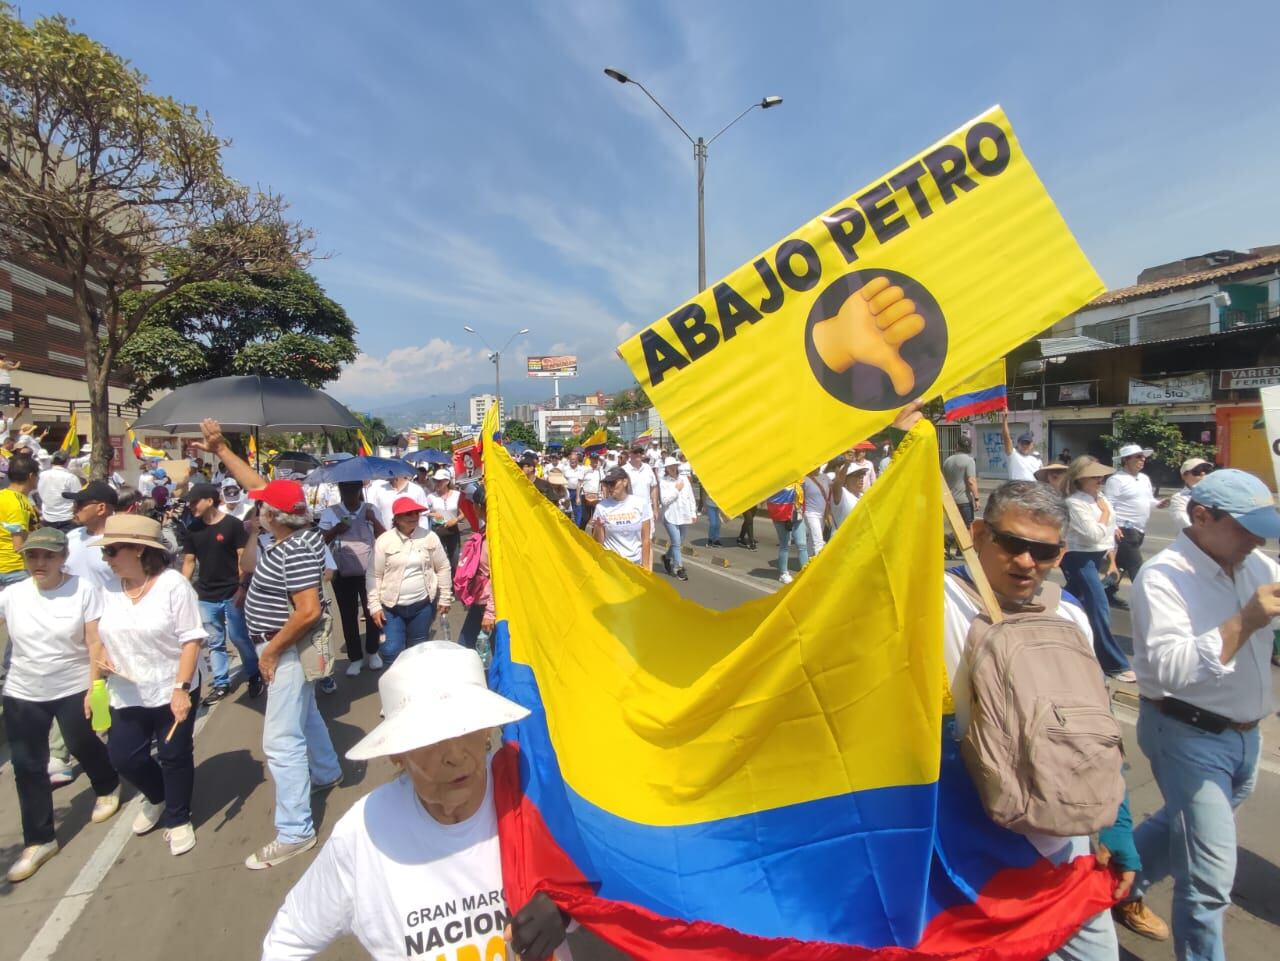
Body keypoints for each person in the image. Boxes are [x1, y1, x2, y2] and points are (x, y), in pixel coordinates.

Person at [260, 643, 572, 961]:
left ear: (488, 727)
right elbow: (288, 940)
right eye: (430, 735)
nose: (454, 754)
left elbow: (605, 881)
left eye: (467, 725)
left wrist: (567, 911)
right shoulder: (363, 836)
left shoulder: (530, 792)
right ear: (397, 753)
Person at [942, 480, 1141, 961]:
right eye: (1012, 543)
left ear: (1062, 553)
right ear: (978, 533)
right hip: (966, 854)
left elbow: (1096, 734)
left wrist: (1116, 831)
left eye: (1044, 551)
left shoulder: (1070, 615)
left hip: (1064, 853)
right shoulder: (932, 599)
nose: (1027, 562)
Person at [1123, 469, 1280, 957]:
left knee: (1181, 823)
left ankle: (1118, 886)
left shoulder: (1255, 563)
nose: (1258, 540)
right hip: (1187, 733)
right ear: (1200, 517)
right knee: (1209, 879)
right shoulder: (1163, 577)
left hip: (1245, 734)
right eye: (1246, 528)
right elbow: (1170, 671)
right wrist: (1247, 620)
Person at [2, 528, 121, 883]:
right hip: (23, 690)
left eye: (48, 556)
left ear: (62, 558)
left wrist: (93, 686)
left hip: (72, 685)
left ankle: (107, 783)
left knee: (80, 743)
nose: (40, 563)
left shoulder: (83, 590)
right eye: (33, 556)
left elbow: (94, 642)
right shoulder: (12, 594)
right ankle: (40, 840)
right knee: (27, 765)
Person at [95, 514, 206, 858]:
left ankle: (178, 816)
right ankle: (158, 795)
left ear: (140, 551)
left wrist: (180, 688)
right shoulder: (109, 588)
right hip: (126, 690)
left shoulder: (173, 585)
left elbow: (191, 640)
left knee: (173, 754)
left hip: (171, 683)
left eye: (112, 551)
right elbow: (99, 636)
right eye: (105, 552)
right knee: (124, 757)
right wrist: (100, 666)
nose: (107, 559)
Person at [179, 482, 263, 702]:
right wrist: (181, 588)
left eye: (195, 501)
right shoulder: (193, 529)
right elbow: (189, 561)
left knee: (238, 637)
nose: (191, 506)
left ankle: (255, 674)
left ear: (209, 500)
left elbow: (242, 559)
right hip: (205, 595)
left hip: (231, 591)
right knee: (215, 640)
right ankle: (220, 683)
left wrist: (242, 586)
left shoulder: (233, 526)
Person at [1061, 457, 1133, 680]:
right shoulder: (1075, 503)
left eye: (1101, 476)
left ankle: (1064, 643)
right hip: (1079, 558)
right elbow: (1092, 534)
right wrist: (1104, 514)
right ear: (1080, 479)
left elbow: (1109, 531)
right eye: (1094, 476)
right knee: (1099, 608)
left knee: (1069, 604)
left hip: (1096, 556)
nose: (1100, 480)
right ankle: (1114, 664)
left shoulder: (1101, 498)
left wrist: (1112, 559)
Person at [367, 497, 452, 666]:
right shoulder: (384, 541)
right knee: (391, 651)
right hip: (391, 608)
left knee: (418, 650)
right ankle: (395, 690)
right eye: (408, 513)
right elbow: (373, 575)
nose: (414, 516)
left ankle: (415, 688)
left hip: (422, 606)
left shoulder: (430, 537)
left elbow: (443, 567)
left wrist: (445, 596)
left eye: (417, 513)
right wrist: (374, 605)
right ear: (397, 518)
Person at [319, 481, 384, 677]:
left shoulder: (371, 509)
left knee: (372, 610)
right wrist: (337, 529)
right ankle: (355, 657)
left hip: (369, 569)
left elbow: (383, 536)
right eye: (345, 490)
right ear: (340, 491)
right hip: (342, 570)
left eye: (353, 490)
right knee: (348, 615)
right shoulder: (330, 512)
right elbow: (321, 541)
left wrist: (373, 520)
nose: (349, 494)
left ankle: (373, 651)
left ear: (359, 491)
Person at [1103, 444, 1169, 611]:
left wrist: (1159, 504)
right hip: (1125, 528)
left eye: (1143, 456)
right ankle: (1149, 602)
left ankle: (1106, 592)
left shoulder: (1144, 479)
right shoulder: (1116, 480)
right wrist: (1114, 527)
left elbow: (1148, 500)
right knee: (1136, 566)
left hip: (1139, 529)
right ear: (1126, 460)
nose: (1142, 460)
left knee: (1120, 564)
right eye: (1138, 457)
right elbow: (1108, 505)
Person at [455, 486, 495, 656]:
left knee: (494, 651)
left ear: (479, 507)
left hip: (491, 604)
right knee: (465, 647)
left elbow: (500, 579)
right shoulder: (487, 530)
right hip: (480, 600)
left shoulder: (498, 538)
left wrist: (490, 613)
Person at [63, 480, 119, 591]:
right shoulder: (71, 536)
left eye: (79, 504)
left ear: (101, 508)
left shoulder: (120, 542)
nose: (73, 509)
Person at [592, 466, 652, 568]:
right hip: (612, 564)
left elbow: (646, 539)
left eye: (613, 483)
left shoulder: (640, 504)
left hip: (635, 564)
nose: (609, 487)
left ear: (625, 482)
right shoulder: (601, 507)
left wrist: (646, 568)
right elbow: (597, 543)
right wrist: (598, 527)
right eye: (607, 484)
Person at [658, 456, 696, 581]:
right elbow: (664, 500)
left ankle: (667, 557)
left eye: (674, 465)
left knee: (678, 542)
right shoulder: (663, 481)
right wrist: (676, 490)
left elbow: (690, 497)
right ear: (666, 469)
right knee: (676, 543)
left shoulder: (684, 479)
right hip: (670, 516)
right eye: (670, 467)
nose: (672, 468)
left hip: (684, 515)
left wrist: (693, 513)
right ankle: (679, 568)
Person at [770, 482, 808, 585]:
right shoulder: (778, 480)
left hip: (797, 514)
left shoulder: (800, 480)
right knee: (785, 545)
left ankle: (805, 572)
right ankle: (783, 574)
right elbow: (772, 497)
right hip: (781, 515)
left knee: (802, 545)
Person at [35, 449, 82, 532]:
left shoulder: (42, 475)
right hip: (67, 519)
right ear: (67, 461)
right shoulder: (71, 478)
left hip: (47, 518)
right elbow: (79, 498)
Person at [426, 469, 462, 573]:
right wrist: (433, 514)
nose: (437, 483)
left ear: (447, 481)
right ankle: (442, 585)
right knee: (439, 561)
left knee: (454, 560)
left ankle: (455, 585)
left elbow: (464, 512)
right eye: (436, 480)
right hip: (437, 530)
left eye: (440, 480)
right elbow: (423, 512)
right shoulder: (431, 497)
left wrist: (456, 519)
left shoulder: (457, 495)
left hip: (452, 530)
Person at [1166, 457, 1213, 531]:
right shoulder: (1179, 498)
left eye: (1206, 470)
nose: (1203, 473)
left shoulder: (1215, 494)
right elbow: (1183, 521)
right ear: (1184, 476)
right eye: (1198, 470)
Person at [622, 444, 659, 537]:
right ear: (630, 453)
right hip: (630, 512)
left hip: (647, 512)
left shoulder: (647, 468)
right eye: (635, 452)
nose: (638, 454)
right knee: (633, 541)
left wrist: (655, 509)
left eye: (640, 452)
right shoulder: (623, 470)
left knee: (648, 540)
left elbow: (653, 488)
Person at [942, 437, 979, 528]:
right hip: (964, 501)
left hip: (950, 500)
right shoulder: (969, 461)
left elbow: (944, 481)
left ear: (957, 446)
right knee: (968, 528)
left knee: (955, 529)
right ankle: (969, 543)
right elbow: (971, 481)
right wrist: (977, 499)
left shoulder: (947, 461)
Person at [1000, 411, 1042, 481]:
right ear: (1018, 444)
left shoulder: (1037, 456)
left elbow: (1041, 474)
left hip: (1033, 490)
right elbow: (1006, 438)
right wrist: (1004, 420)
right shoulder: (1013, 454)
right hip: (1017, 490)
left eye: (1027, 443)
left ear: (1032, 445)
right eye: (1022, 443)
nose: (1025, 446)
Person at [802, 466, 834, 556]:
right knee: (819, 541)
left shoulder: (825, 477)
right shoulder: (804, 479)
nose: (817, 467)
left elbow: (834, 488)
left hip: (823, 514)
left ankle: (805, 562)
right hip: (810, 513)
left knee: (812, 539)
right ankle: (816, 567)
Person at [578, 453, 602, 531]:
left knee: (595, 519)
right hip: (585, 496)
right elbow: (579, 483)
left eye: (596, 458)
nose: (595, 460)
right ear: (590, 459)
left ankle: (594, 539)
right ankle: (580, 534)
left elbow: (603, 484)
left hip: (597, 497)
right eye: (593, 458)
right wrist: (578, 497)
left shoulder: (600, 471)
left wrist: (605, 496)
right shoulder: (585, 469)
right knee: (585, 518)